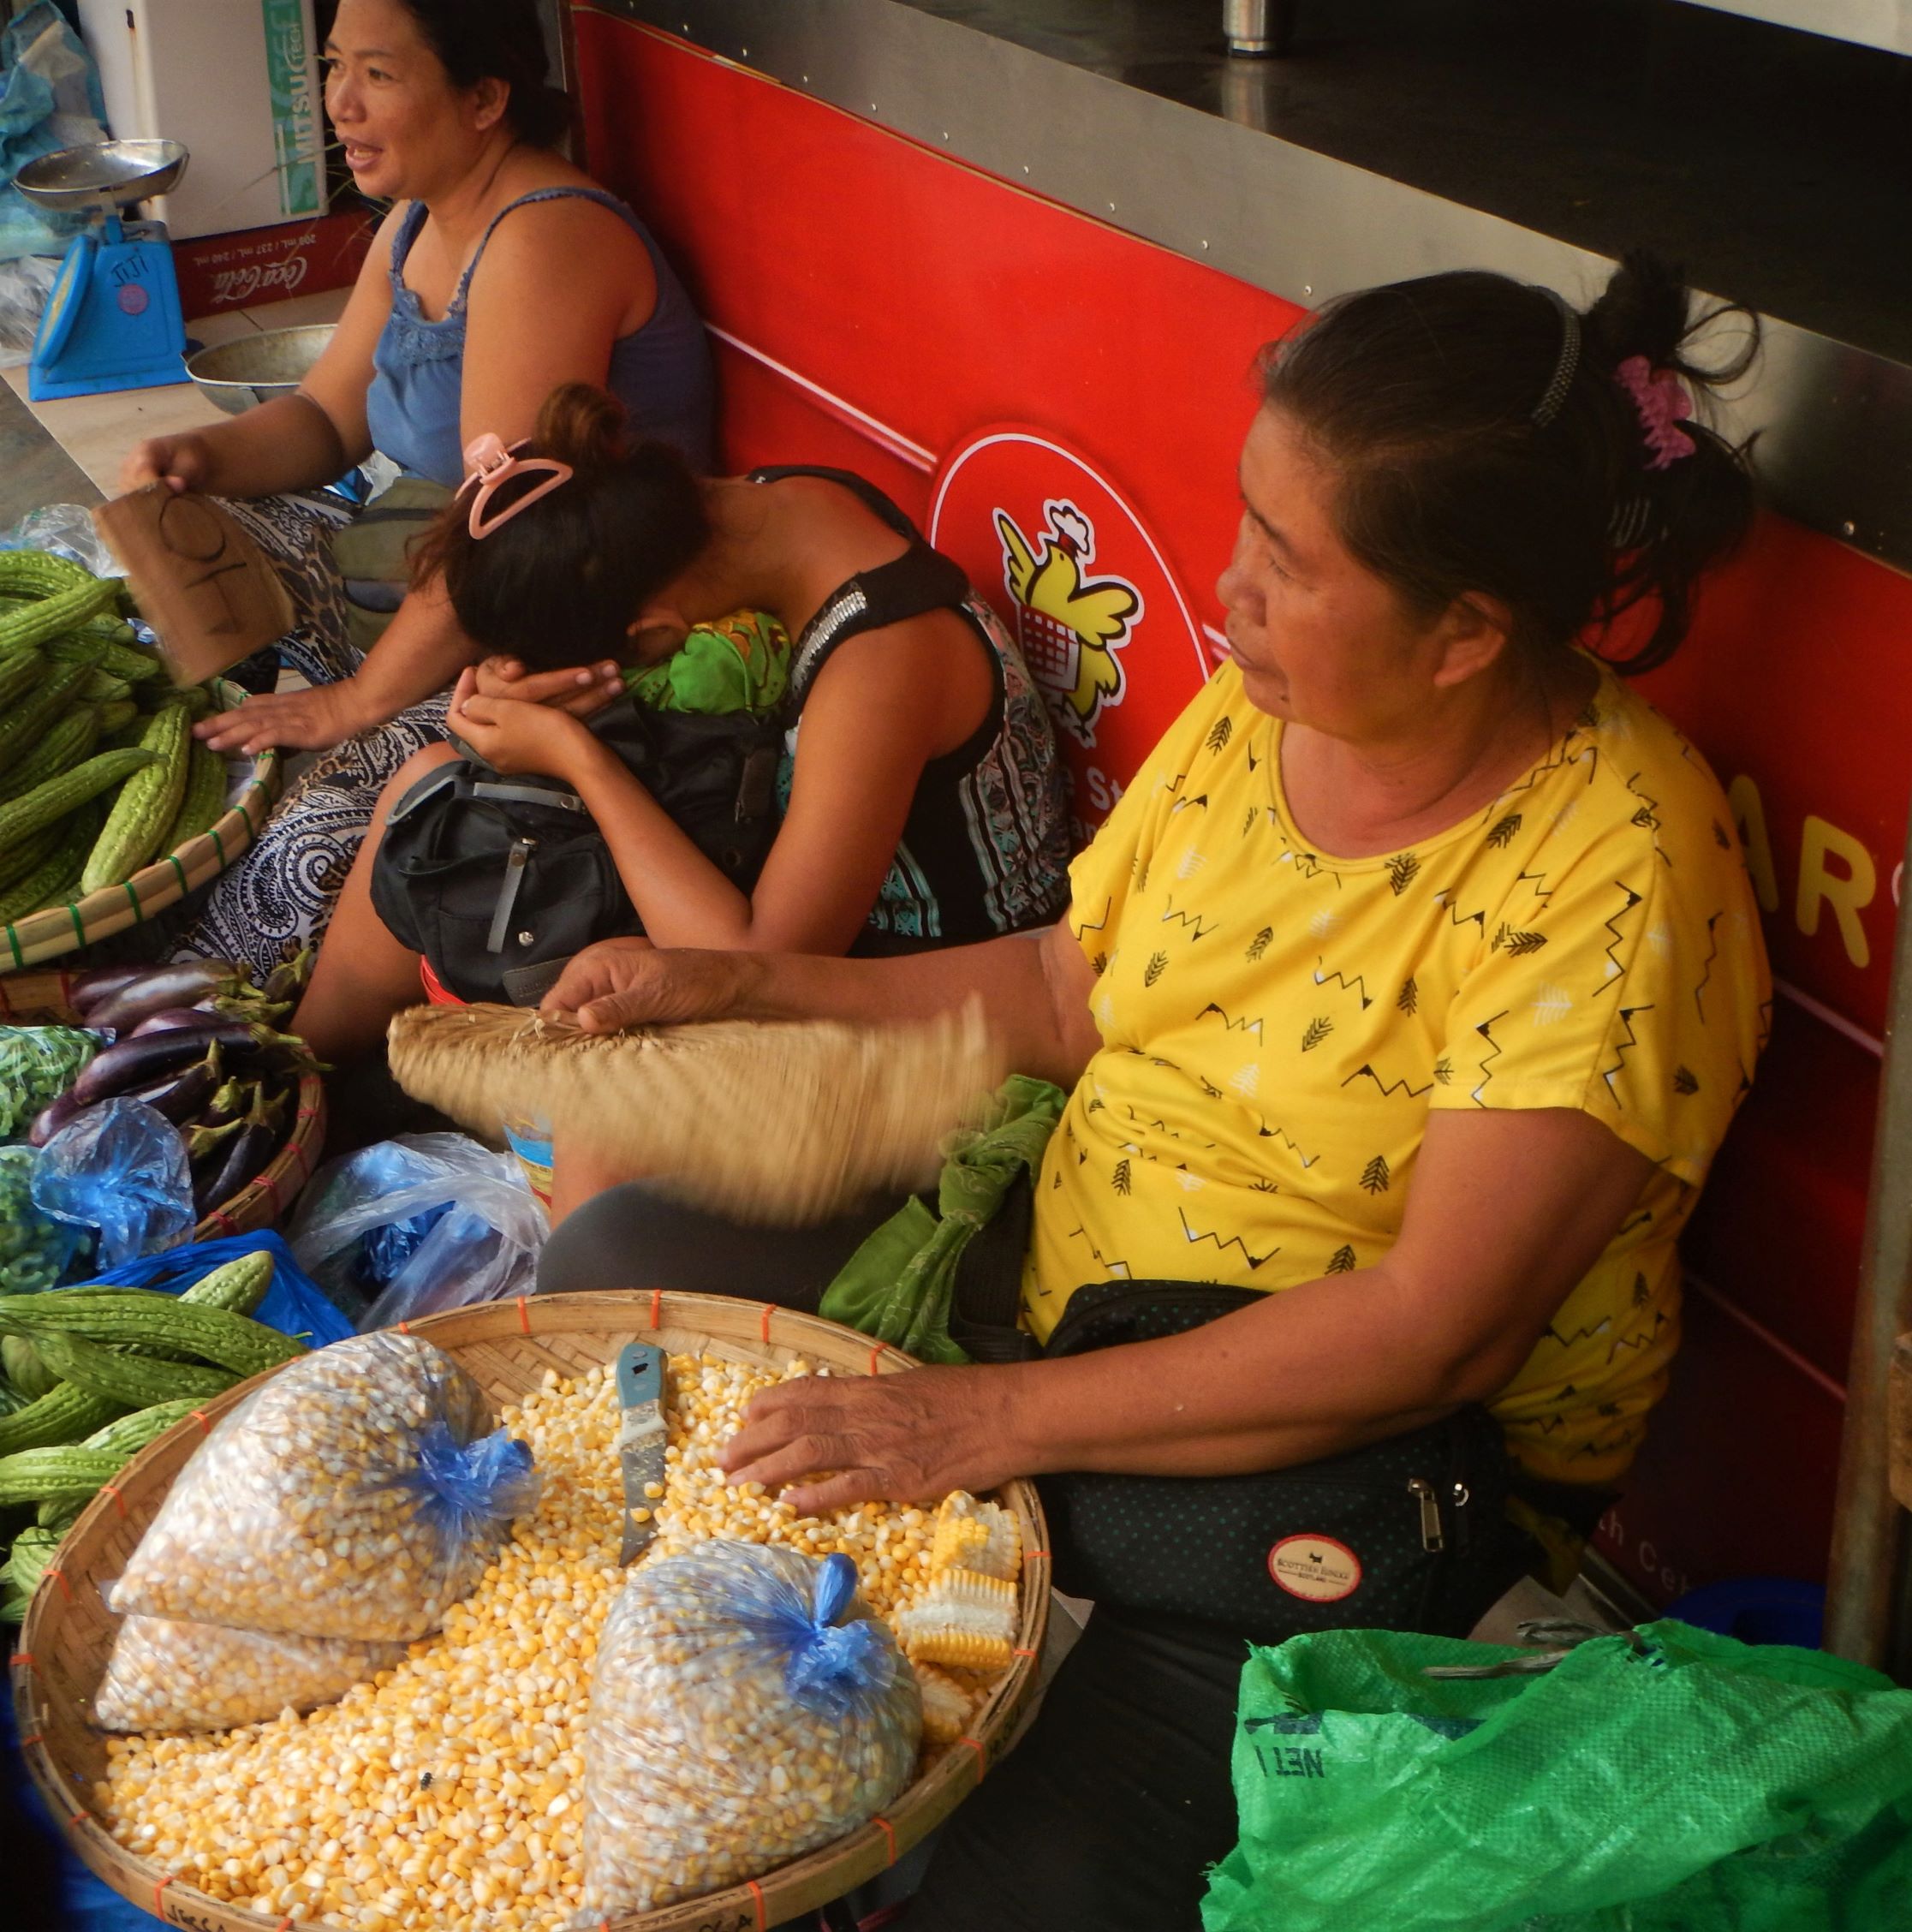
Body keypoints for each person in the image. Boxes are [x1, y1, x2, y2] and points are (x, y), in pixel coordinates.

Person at [531, 257, 1771, 1928]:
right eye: (1247, 524)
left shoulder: (1614, 873)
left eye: (1290, 561)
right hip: (1071, 1300)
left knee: (1003, 1890)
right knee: (619, 1259)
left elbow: (1434, 1331)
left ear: (1469, 633)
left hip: (1338, 1455)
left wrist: (973, 1424)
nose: (1229, 585)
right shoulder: (1278, 714)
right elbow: (1064, 989)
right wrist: (742, 984)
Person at [291, 385, 1075, 1218]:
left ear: (656, 632)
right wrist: (525, 698)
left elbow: (756, 965)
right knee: (427, 794)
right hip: (792, 911)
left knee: (603, 1068)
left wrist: (577, 757)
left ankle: (556, 1270)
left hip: (937, 1010)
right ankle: (295, 1073)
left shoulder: (880, 663)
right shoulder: (769, 510)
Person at [122, 0, 713, 976]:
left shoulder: (542, 238)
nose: (339, 105)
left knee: (316, 835)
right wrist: (199, 460)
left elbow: (504, 535)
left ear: (484, 98)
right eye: (333, 66)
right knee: (159, 569)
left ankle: (196, 997)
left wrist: (352, 704)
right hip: (418, 570)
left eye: (380, 76)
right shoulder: (415, 221)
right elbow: (323, 421)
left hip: (538, 631)